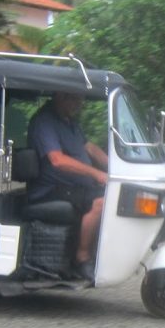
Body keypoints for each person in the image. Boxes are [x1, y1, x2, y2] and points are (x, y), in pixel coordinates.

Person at [26, 91, 108, 279]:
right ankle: (82, 257)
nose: (80, 104)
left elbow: (89, 147)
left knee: (114, 196)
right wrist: (97, 173)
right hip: (50, 190)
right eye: (76, 98)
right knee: (103, 202)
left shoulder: (69, 122)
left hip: (73, 188)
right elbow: (57, 160)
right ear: (61, 97)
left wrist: (119, 166)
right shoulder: (44, 122)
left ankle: (97, 253)